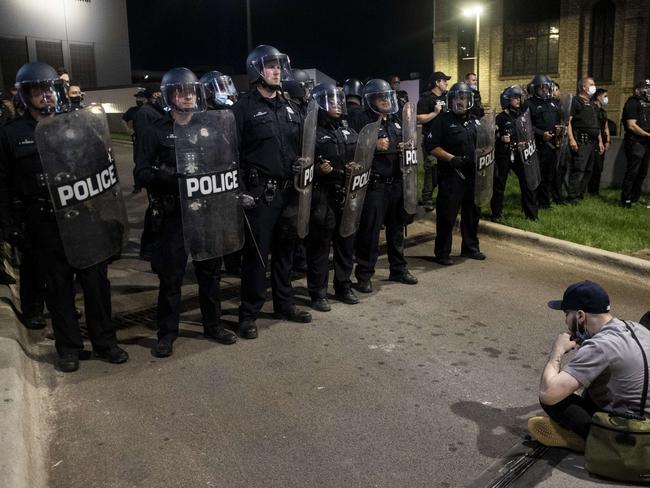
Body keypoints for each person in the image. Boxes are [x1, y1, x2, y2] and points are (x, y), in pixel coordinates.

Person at [0, 62, 128, 371]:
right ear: (25, 95)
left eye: (50, 89)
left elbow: (101, 164)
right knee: (58, 287)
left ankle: (105, 342)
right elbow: (2, 183)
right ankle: (69, 348)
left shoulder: (78, 123)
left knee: (96, 283)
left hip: (84, 217)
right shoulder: (11, 133)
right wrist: (9, 226)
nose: (46, 96)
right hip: (44, 222)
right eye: (37, 90)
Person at [135, 67, 238, 358]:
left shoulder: (211, 127)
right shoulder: (154, 131)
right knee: (171, 278)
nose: (187, 96)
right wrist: (165, 176)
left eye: (191, 91)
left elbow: (226, 163)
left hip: (207, 212)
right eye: (181, 91)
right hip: (173, 216)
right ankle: (167, 334)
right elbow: (140, 173)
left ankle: (213, 324)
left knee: (210, 272)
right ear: (169, 95)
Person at [232, 45, 313, 340]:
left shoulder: (291, 106)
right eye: (270, 66)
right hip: (259, 195)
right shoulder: (242, 108)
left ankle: (284, 304)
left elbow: (304, 143)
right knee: (256, 257)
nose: (277, 70)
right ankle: (248, 314)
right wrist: (240, 192)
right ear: (256, 70)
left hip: (289, 192)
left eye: (279, 65)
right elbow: (233, 153)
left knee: (285, 253)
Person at [528, 280, 650, 451]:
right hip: (644, 422)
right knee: (590, 380)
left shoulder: (600, 346)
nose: (565, 321)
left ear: (580, 316)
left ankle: (589, 441)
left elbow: (548, 394)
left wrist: (557, 352)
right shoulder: (636, 328)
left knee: (553, 400)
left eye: (566, 314)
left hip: (631, 436)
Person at [347, 79, 417, 292]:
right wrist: (372, 144)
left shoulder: (394, 120)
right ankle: (364, 274)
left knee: (397, 229)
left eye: (387, 96)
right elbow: (350, 146)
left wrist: (407, 146)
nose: (386, 100)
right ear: (370, 99)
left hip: (396, 182)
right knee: (370, 231)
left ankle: (398, 268)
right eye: (381, 97)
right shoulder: (361, 120)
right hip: (374, 185)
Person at [305, 83, 360, 311]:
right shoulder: (312, 131)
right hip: (322, 195)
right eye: (332, 100)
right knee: (320, 246)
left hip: (346, 193)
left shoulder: (346, 129)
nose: (338, 104)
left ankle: (343, 285)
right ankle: (318, 292)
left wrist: (356, 165)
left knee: (346, 242)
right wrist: (318, 169)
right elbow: (303, 162)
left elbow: (360, 153)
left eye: (339, 100)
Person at [424, 82, 485, 265]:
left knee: (472, 213)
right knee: (447, 216)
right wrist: (451, 158)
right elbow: (431, 146)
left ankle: (470, 248)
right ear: (451, 100)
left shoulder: (475, 121)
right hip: (452, 175)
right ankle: (442, 253)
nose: (461, 102)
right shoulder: (442, 120)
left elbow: (483, 143)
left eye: (465, 98)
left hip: (473, 175)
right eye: (458, 98)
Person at [200, 70, 242, 276]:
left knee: (232, 223)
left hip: (232, 175)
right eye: (220, 88)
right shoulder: (201, 116)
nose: (225, 93)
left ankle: (234, 263)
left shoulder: (232, 114)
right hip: (212, 179)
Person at [490, 85, 538, 221]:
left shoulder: (524, 117)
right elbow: (490, 136)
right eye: (515, 98)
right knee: (499, 185)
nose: (518, 100)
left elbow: (529, 131)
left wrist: (526, 141)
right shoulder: (500, 118)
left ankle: (531, 215)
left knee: (528, 183)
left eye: (519, 98)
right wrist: (500, 138)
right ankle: (496, 214)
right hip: (504, 154)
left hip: (520, 154)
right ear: (507, 99)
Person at [133, 84, 165, 259]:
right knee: (155, 210)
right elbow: (145, 142)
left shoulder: (156, 111)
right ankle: (148, 248)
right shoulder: (145, 113)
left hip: (160, 167)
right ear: (154, 95)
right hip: (153, 167)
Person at [526, 74, 562, 208]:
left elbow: (558, 120)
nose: (543, 89)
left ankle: (545, 202)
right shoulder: (529, 104)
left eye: (546, 86)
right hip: (538, 145)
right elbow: (526, 125)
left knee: (549, 174)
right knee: (537, 175)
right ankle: (533, 202)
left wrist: (559, 129)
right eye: (540, 86)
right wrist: (541, 134)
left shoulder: (554, 103)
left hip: (552, 145)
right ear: (535, 88)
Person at [417, 71, 451, 211]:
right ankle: (427, 199)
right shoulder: (426, 98)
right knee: (431, 169)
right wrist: (435, 113)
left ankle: (444, 197)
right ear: (437, 82)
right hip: (432, 140)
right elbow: (419, 118)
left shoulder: (447, 97)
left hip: (446, 140)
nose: (446, 83)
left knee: (446, 170)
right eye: (444, 81)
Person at [567, 77, 604, 204]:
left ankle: (581, 194)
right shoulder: (575, 101)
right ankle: (573, 196)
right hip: (581, 141)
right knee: (579, 169)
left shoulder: (593, 105)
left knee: (588, 170)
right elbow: (568, 122)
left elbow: (596, 125)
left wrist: (600, 141)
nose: (594, 86)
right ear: (583, 87)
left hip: (593, 142)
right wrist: (571, 139)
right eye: (592, 84)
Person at [620, 79, 650, 208]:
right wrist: (648, 135)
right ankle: (626, 200)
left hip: (646, 142)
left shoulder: (647, 104)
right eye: (645, 88)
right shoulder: (632, 103)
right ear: (637, 89)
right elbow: (631, 126)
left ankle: (635, 198)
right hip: (636, 142)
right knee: (633, 171)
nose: (648, 91)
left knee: (642, 172)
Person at [587, 88, 610, 195]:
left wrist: (608, 140)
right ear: (598, 97)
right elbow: (596, 128)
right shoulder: (593, 109)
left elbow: (605, 126)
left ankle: (595, 190)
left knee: (599, 167)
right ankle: (591, 190)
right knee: (594, 166)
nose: (606, 99)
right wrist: (600, 142)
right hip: (595, 140)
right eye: (605, 96)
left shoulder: (603, 112)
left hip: (603, 141)